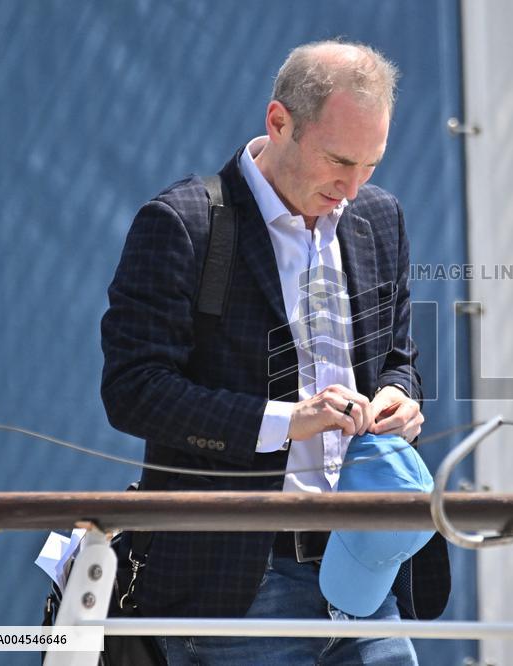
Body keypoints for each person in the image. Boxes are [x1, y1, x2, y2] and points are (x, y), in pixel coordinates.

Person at [100, 40, 449, 665]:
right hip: (240, 582)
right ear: (278, 122)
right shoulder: (182, 224)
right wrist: (288, 422)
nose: (351, 186)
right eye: (339, 160)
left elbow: (399, 358)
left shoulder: (380, 216)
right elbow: (134, 391)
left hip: (367, 573)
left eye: (372, 164)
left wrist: (401, 398)